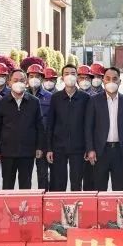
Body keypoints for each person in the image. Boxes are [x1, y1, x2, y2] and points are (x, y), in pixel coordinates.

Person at [0, 69, 44, 190]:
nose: (19, 83)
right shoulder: (1, 102)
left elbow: (39, 126)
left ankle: (24, 203)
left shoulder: (34, 102)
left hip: (27, 152)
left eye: (22, 80)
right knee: (7, 185)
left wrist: (39, 147)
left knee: (25, 186)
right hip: (7, 152)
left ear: (26, 82)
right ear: (9, 82)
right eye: (15, 80)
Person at [85, 67, 123, 191]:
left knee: (118, 188)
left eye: (114, 79)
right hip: (100, 152)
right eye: (108, 78)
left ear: (119, 81)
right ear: (103, 81)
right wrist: (90, 149)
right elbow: (88, 127)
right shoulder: (94, 101)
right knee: (99, 188)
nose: (111, 82)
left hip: (120, 152)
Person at [45, 63, 90, 191]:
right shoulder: (56, 97)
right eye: (66, 74)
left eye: (73, 74)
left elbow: (88, 125)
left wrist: (88, 147)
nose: (70, 76)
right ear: (62, 77)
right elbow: (50, 124)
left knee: (77, 183)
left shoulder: (85, 98)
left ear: (77, 77)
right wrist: (49, 148)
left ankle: (76, 204)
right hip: (58, 147)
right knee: (58, 183)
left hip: (79, 148)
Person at [28, 64, 53, 191]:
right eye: (31, 76)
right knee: (25, 176)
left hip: (43, 142)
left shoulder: (50, 97)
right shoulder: (22, 95)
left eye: (37, 76)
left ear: (42, 78)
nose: (34, 79)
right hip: (27, 141)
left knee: (42, 175)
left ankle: (44, 198)